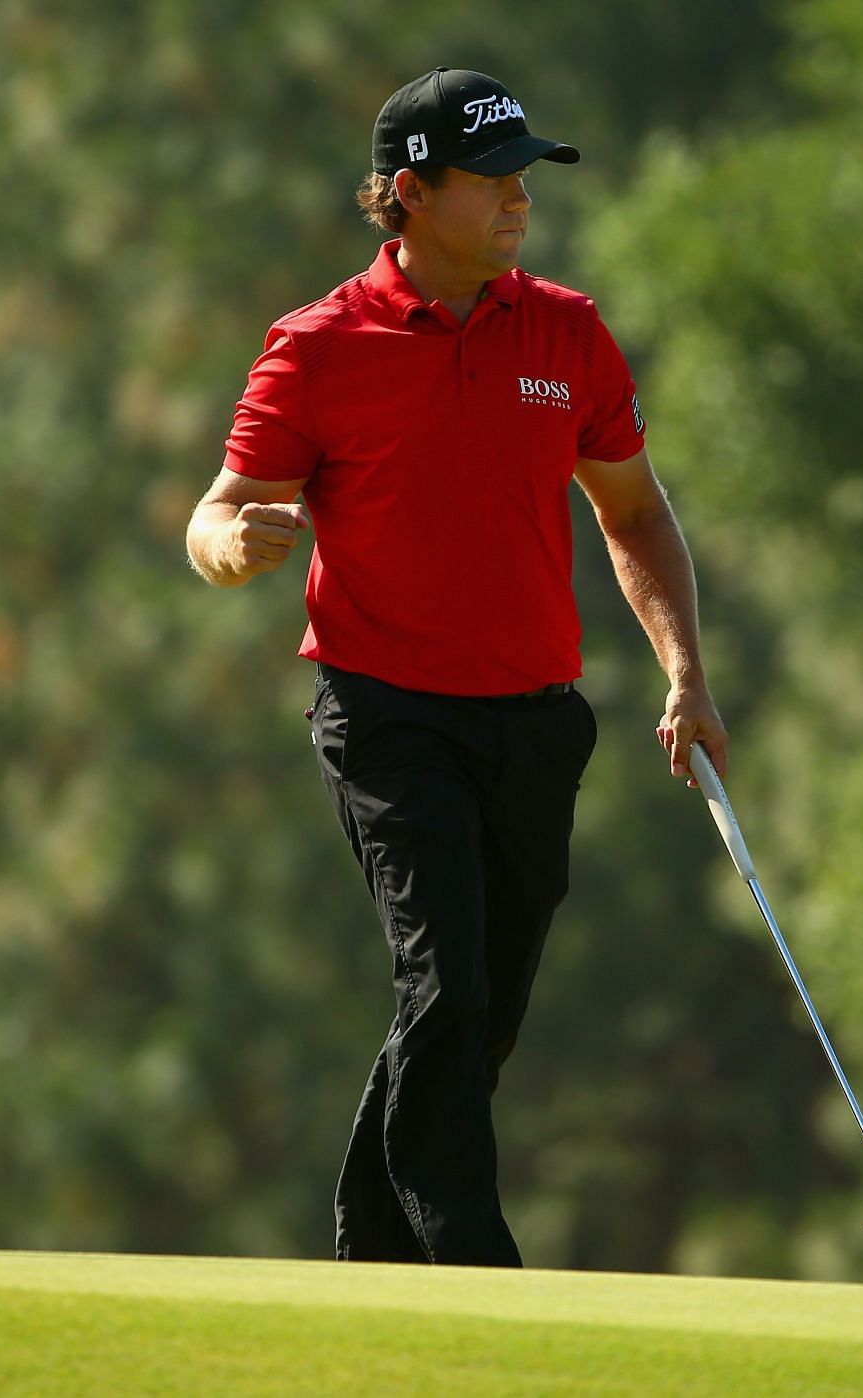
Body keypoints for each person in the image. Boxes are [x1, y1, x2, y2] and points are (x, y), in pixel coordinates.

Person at [184, 67, 727, 1266]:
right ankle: (473, 1262)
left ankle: (374, 1259)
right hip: (390, 717)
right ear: (412, 194)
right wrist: (238, 546)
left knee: (478, 1013)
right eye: (494, 180)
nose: (520, 200)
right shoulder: (319, 347)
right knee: (445, 978)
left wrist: (685, 673)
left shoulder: (568, 333)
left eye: (525, 176)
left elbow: (634, 516)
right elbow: (217, 513)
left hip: (535, 720)